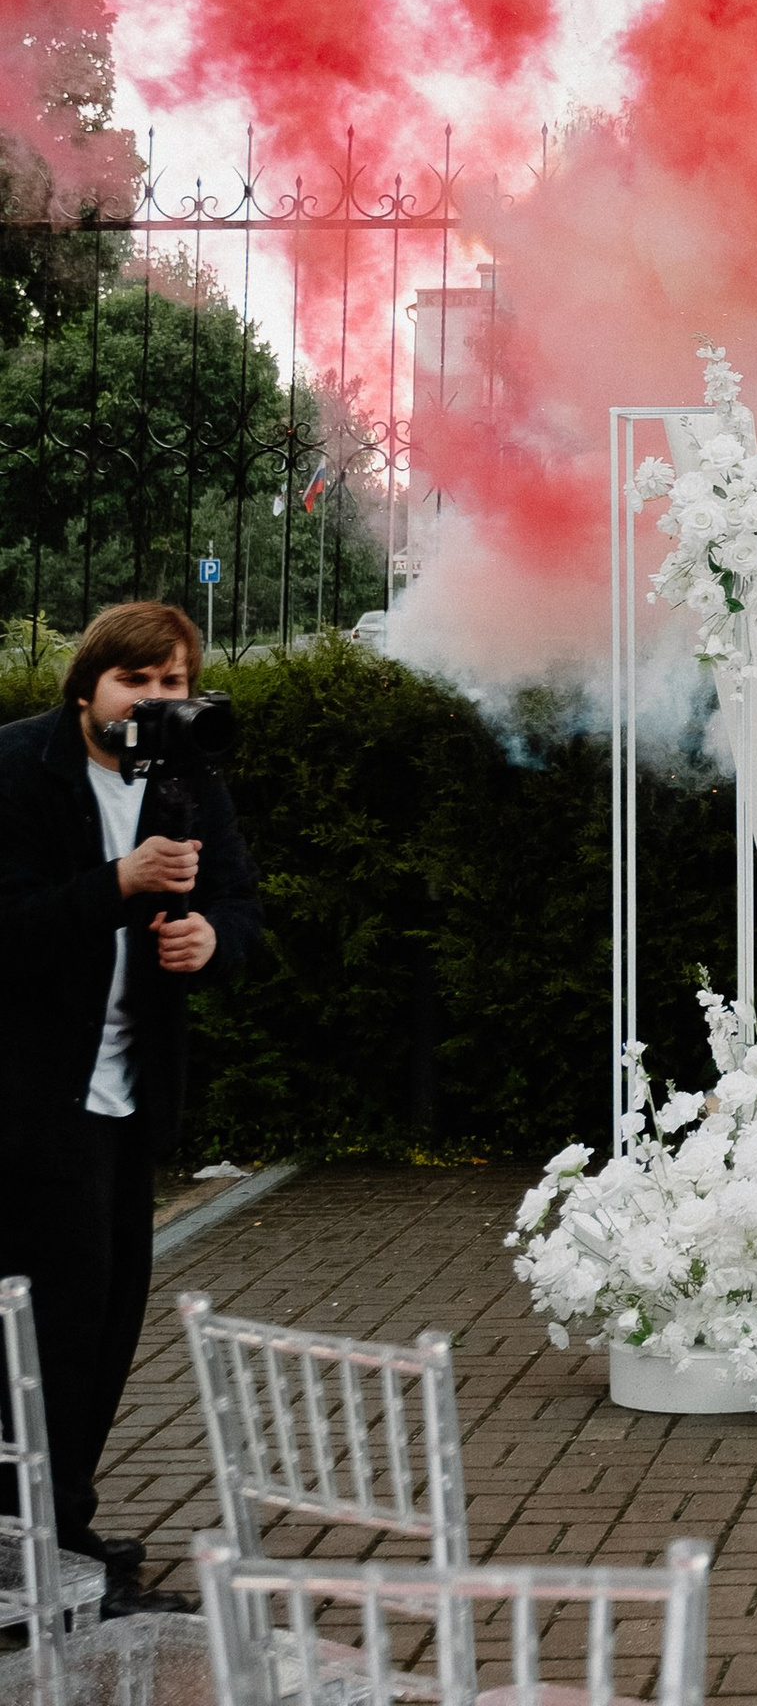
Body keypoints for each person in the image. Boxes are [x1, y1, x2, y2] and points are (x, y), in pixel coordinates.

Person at [0, 602, 262, 1588]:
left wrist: (210, 942)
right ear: (86, 688)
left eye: (174, 683)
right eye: (136, 682)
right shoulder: (19, 771)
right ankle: (34, 1543)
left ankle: (58, 1530)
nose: (156, 701)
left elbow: (237, 904)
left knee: (105, 1322)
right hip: (28, 1105)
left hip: (127, 1105)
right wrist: (117, 883)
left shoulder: (188, 778)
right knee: (45, 1327)